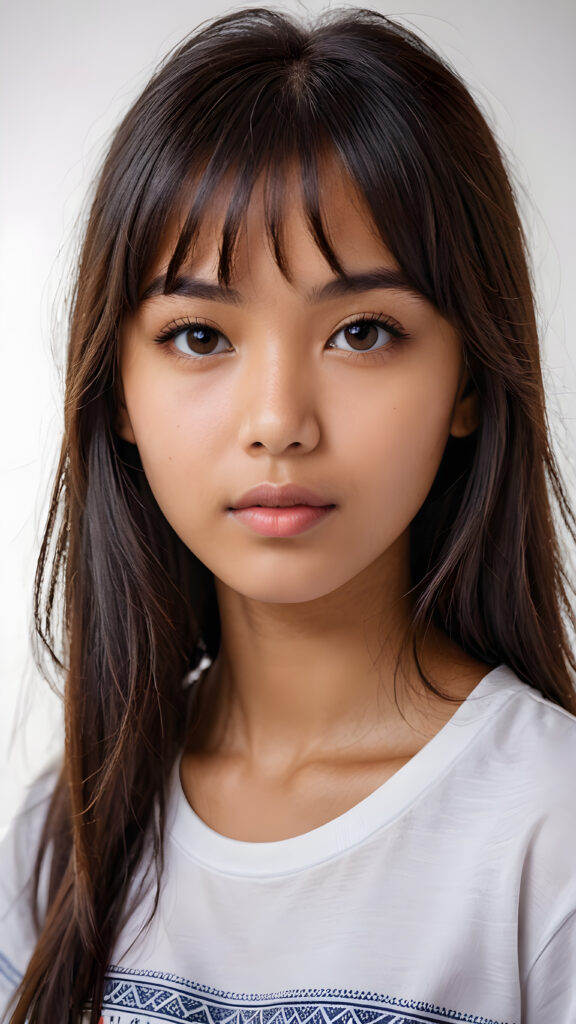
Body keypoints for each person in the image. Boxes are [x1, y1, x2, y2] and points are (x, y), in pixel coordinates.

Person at [1, 7, 575, 1023]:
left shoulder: (548, 829)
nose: (277, 422)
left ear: (468, 381)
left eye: (363, 332)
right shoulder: (64, 831)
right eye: (199, 337)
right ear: (117, 391)